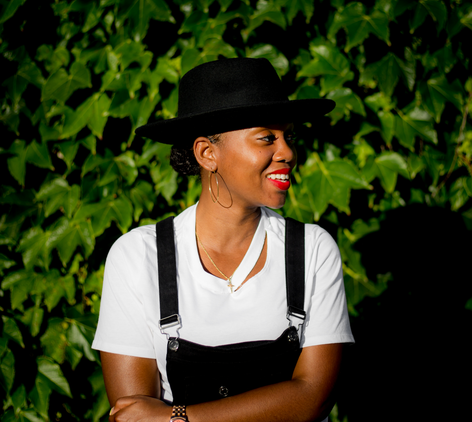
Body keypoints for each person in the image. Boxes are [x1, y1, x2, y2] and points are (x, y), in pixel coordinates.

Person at [92, 57, 354, 422]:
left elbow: (313, 397)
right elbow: (133, 414)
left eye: (288, 136)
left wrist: (181, 417)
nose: (288, 153)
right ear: (207, 153)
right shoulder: (138, 256)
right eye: (267, 138)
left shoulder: (311, 250)